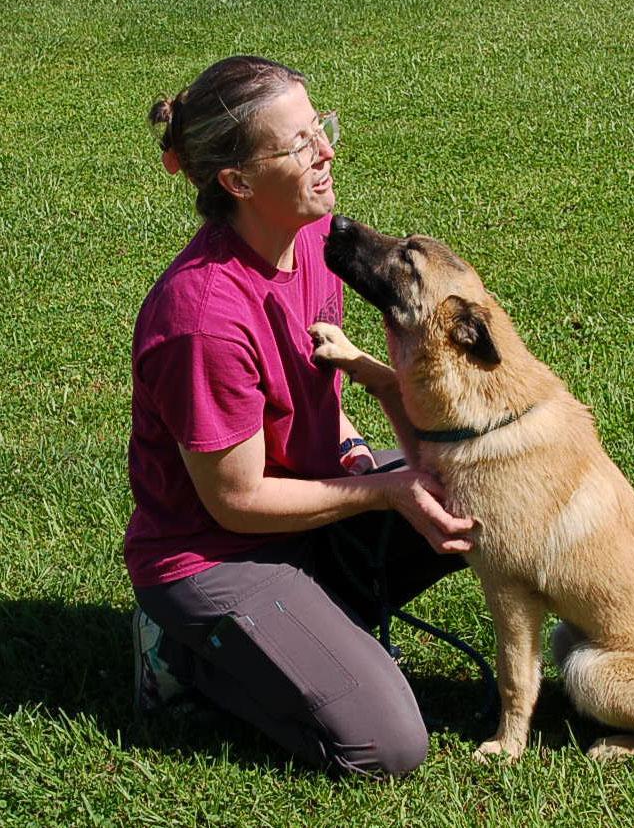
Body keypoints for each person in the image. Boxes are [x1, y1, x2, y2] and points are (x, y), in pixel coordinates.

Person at [125, 55, 475, 777]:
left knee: (478, 494)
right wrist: (383, 489)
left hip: (303, 506)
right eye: (300, 144)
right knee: (387, 746)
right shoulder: (202, 318)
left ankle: (304, 625)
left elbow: (320, 398)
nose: (327, 152)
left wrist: (354, 451)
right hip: (215, 554)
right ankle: (180, 655)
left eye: (322, 127)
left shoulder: (312, 240)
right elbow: (236, 501)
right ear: (238, 181)